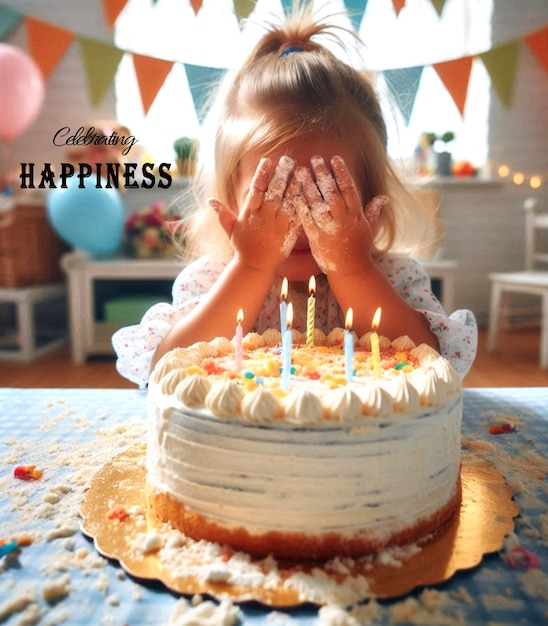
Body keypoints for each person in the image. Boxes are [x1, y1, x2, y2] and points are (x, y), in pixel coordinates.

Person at [113, 7, 477, 388]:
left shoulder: (393, 277)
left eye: (325, 195)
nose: (300, 220)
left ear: (372, 199)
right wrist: (251, 266)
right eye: (274, 197)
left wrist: (352, 268)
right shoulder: (212, 278)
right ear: (229, 202)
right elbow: (164, 371)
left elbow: (434, 365)